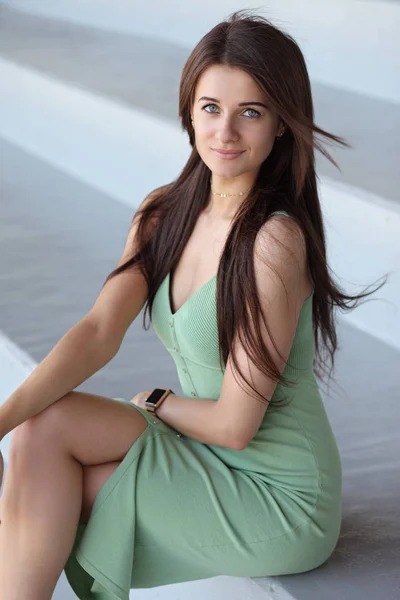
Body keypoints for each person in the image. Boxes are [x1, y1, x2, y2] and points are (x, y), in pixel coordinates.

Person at [0, 10, 385, 600]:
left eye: (249, 112)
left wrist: (158, 402)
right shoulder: (162, 216)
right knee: (34, 434)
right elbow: (101, 328)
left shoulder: (274, 241)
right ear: (189, 111)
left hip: (278, 496)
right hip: (200, 451)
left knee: (44, 480)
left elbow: (235, 426)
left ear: (282, 122)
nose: (225, 133)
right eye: (210, 108)